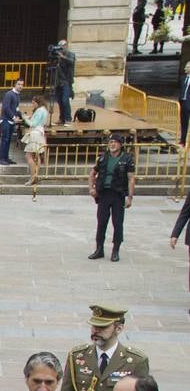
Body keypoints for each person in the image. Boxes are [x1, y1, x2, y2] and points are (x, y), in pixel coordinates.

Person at [86, 135, 135, 263]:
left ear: (120, 144)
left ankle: (115, 250)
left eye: (115, 142)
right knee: (101, 222)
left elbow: (131, 178)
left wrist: (130, 197)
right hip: (103, 194)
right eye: (110, 142)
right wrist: (91, 188)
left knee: (117, 223)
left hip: (118, 195)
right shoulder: (103, 158)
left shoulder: (127, 159)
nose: (112, 144)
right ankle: (99, 249)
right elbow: (92, 173)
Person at [22, 94, 49, 187]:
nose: (32, 105)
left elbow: (33, 124)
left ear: (37, 102)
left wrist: (25, 118)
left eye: (33, 103)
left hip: (35, 134)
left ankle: (33, 177)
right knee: (37, 156)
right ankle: (35, 176)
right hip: (40, 133)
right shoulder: (44, 110)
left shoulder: (39, 111)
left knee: (28, 155)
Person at [0, 79, 24, 166]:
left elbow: (16, 109)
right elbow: (6, 107)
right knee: (5, 140)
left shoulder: (17, 95)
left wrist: (20, 116)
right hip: (6, 120)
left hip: (11, 121)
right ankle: (1, 158)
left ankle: (6, 158)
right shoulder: (9, 94)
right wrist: (14, 117)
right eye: (19, 84)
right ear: (15, 85)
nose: (20, 86)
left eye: (22, 85)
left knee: (8, 140)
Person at [51, 40, 75, 125]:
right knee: (60, 101)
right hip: (58, 81)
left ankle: (68, 119)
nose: (61, 48)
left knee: (65, 100)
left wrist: (62, 57)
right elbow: (53, 65)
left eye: (63, 46)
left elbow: (71, 62)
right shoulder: (57, 56)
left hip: (67, 81)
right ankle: (62, 118)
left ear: (66, 46)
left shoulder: (70, 54)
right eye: (60, 46)